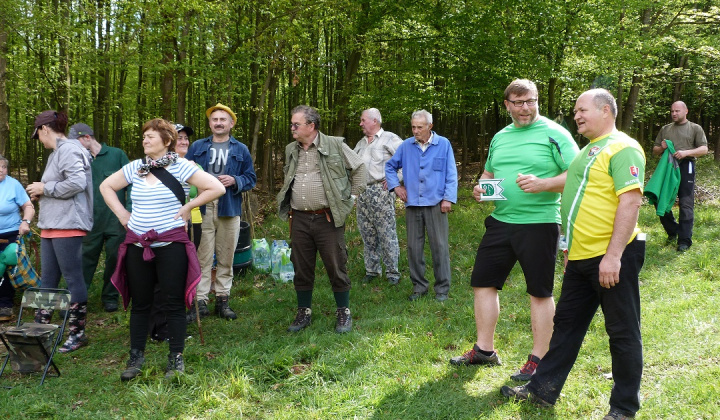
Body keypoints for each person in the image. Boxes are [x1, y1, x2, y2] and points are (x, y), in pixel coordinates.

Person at [501, 89, 646, 420]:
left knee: (622, 332)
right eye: (576, 111)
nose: (577, 115)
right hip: (581, 258)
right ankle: (541, 391)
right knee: (565, 327)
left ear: (606, 111)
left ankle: (623, 408)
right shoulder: (587, 152)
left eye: (583, 110)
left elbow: (631, 202)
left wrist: (613, 256)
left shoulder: (622, 148)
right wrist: (569, 249)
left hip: (611, 256)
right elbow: (575, 199)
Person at [450, 79, 579, 382]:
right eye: (518, 103)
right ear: (506, 105)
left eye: (530, 101)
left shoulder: (554, 133)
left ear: (537, 102)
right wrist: (481, 187)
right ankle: (484, 350)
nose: (525, 108)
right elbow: (489, 172)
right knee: (482, 282)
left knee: (539, 291)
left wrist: (544, 184)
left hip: (540, 222)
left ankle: (539, 358)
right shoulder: (500, 137)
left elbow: (578, 173)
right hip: (501, 221)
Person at [100, 118, 224, 381]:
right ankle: (136, 357)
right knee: (141, 303)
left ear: (166, 141)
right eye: (144, 136)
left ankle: (175, 359)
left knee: (174, 303)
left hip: (171, 245)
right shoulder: (136, 168)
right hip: (137, 245)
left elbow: (216, 187)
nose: (145, 140)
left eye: (151, 136)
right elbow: (106, 186)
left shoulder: (181, 167)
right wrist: (123, 215)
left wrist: (190, 206)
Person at [277, 105, 366, 333]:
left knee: (336, 265)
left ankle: (343, 312)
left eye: (296, 124)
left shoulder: (335, 145)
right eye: (292, 123)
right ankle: (303, 312)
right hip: (298, 218)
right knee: (301, 266)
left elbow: (359, 168)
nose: (292, 128)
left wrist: (351, 199)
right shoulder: (291, 149)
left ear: (311, 126)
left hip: (327, 218)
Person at [26, 110, 93, 353]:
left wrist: (46, 187)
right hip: (51, 225)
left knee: (73, 278)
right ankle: (39, 332)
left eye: (39, 135)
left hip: (68, 224)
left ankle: (78, 333)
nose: (40, 141)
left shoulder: (70, 149)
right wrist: (42, 190)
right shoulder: (57, 153)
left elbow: (77, 183)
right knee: (49, 281)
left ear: (45, 129)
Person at [185, 104, 257, 323]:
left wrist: (236, 180)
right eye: (214, 119)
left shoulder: (241, 149)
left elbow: (251, 178)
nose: (218, 123)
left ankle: (223, 300)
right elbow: (185, 172)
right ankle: (200, 301)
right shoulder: (197, 147)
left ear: (231, 123)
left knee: (226, 256)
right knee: (202, 255)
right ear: (209, 123)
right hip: (202, 206)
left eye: (222, 120)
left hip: (229, 205)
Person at [385, 109, 457, 302]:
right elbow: (390, 167)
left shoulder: (443, 144)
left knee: (439, 246)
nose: (415, 131)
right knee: (414, 248)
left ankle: (442, 289)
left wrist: (448, 198)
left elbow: (451, 174)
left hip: (436, 202)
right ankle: (419, 287)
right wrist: (396, 187)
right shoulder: (406, 146)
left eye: (420, 127)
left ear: (430, 127)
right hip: (413, 204)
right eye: (413, 127)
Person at [71, 123, 131, 313]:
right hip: (89, 221)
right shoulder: (77, 160)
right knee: (85, 259)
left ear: (87, 138)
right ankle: (78, 298)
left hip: (116, 220)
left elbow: (133, 184)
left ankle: (110, 297)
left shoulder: (117, 155)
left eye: (77, 142)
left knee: (115, 258)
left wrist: (129, 213)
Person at [353, 108, 403, 285]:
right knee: (367, 233)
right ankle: (372, 271)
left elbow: (407, 159)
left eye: (363, 120)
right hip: (363, 192)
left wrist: (395, 180)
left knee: (386, 232)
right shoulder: (360, 143)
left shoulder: (391, 139)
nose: (360, 123)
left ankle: (392, 273)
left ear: (374, 121)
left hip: (381, 191)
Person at [652, 101, 707, 252]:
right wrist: (662, 148)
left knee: (685, 203)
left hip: (686, 165)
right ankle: (673, 231)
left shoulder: (695, 128)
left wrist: (686, 153)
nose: (674, 114)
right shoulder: (665, 129)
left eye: (677, 111)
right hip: (668, 167)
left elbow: (704, 149)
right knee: (659, 198)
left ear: (686, 111)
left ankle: (684, 241)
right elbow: (655, 150)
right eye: (672, 111)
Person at [0, 155, 35, 322]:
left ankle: (5, 305)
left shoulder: (13, 184)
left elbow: (28, 206)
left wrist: (25, 222)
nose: (1, 170)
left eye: (4, 167)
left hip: (11, 234)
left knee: (8, 269)